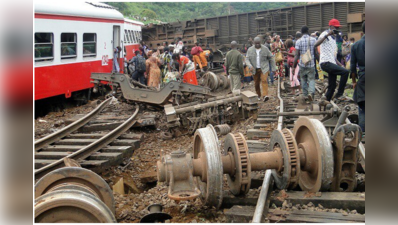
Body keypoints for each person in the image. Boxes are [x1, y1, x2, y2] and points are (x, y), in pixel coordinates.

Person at [314, 18, 349, 101]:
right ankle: (339, 94)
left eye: (338, 28)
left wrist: (341, 65)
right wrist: (327, 35)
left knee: (332, 86)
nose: (337, 29)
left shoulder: (334, 39)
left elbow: (333, 56)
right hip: (325, 62)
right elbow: (316, 44)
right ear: (331, 27)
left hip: (331, 62)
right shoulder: (325, 34)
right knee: (345, 72)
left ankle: (326, 101)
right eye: (335, 28)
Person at [245, 37, 276, 102]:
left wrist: (273, 68)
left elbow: (271, 58)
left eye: (258, 43)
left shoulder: (265, 49)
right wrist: (250, 66)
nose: (257, 45)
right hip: (254, 69)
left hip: (264, 68)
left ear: (260, 42)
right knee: (256, 83)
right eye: (256, 43)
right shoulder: (250, 50)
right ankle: (258, 95)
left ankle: (265, 95)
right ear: (254, 43)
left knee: (264, 80)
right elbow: (247, 59)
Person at [293, 26, 317, 102]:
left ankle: (305, 95)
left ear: (301, 32)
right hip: (311, 63)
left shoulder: (298, 41)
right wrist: (320, 62)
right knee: (311, 79)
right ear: (308, 31)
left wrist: (293, 66)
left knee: (303, 80)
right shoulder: (313, 39)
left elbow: (296, 55)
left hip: (302, 64)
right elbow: (316, 53)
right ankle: (311, 93)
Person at [350, 21, 365, 133]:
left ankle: (363, 134)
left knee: (363, 107)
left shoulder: (356, 45)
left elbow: (353, 67)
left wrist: (354, 82)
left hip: (364, 79)